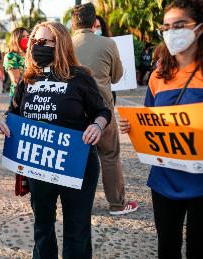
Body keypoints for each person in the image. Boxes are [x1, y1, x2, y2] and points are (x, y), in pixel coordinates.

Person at [0, 21, 111, 259]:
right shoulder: (27, 79)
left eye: (44, 42)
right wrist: (3, 121)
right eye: (34, 42)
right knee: (42, 227)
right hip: (39, 166)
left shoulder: (80, 77)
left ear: (60, 44)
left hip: (76, 165)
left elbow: (102, 111)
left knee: (77, 230)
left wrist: (97, 126)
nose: (37, 46)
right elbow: (13, 112)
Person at [120, 1, 203, 258]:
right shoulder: (158, 75)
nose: (172, 32)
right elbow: (151, 118)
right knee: (167, 248)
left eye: (180, 25)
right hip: (165, 180)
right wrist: (133, 126)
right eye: (167, 26)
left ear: (200, 29)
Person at [71, 3, 138, 215]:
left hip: (73, 112)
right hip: (103, 110)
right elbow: (117, 77)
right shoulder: (108, 43)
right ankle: (117, 204)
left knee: (75, 157)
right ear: (94, 23)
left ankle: (78, 203)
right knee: (109, 156)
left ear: (73, 24)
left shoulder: (65, 45)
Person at [4, 27, 29, 107]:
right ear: (16, 39)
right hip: (19, 96)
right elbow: (16, 79)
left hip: (31, 94)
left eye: (27, 36)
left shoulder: (29, 54)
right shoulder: (11, 56)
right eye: (23, 36)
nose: (26, 39)